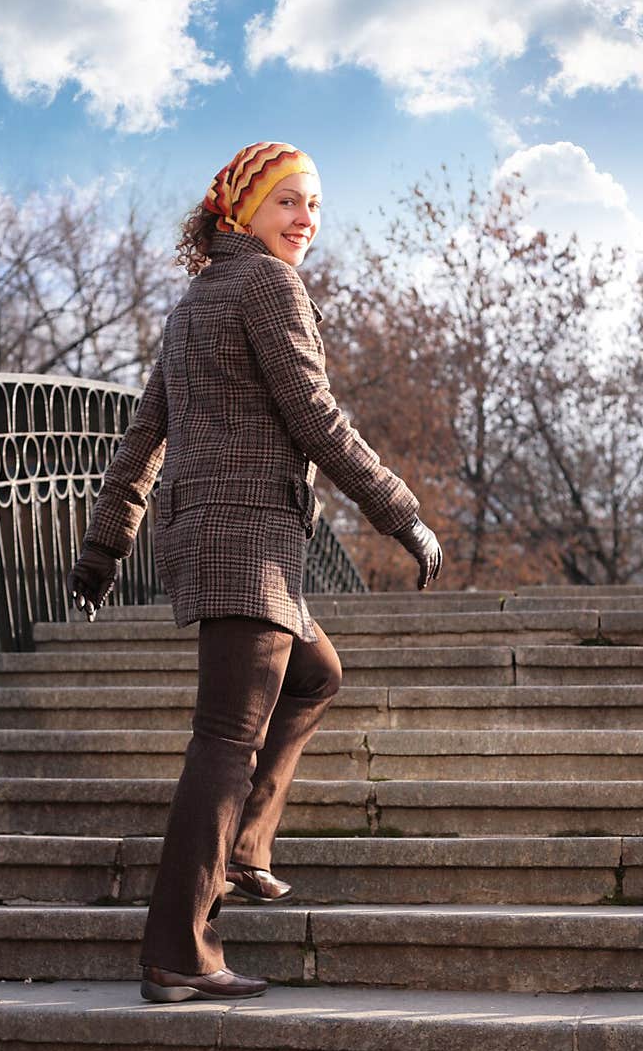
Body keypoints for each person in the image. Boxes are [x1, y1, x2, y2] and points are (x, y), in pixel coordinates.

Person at [67, 140, 442, 1004]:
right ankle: (181, 951)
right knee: (225, 741)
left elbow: (140, 440)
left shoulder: (196, 299)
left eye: (315, 205)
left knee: (316, 673)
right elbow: (316, 416)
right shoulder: (268, 285)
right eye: (289, 203)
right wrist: (401, 512)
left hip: (209, 534)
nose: (306, 220)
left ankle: (245, 847)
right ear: (243, 211)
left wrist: (103, 548)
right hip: (248, 541)